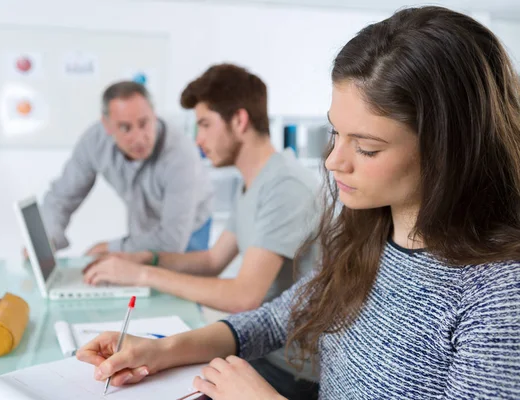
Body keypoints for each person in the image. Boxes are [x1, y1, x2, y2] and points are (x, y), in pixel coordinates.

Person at [76, 6, 520, 399]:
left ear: (449, 149)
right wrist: (161, 350)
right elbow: (272, 319)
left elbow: (244, 296)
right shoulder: (369, 236)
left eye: (365, 147)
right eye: (334, 134)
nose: (332, 162)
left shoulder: (498, 299)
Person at [82, 64, 321, 398]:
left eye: (205, 125)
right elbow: (212, 260)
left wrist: (142, 274)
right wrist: (147, 257)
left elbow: (243, 296)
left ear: (239, 121)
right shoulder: (255, 183)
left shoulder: (285, 186)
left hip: (289, 372)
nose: (198, 139)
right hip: (260, 352)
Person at [40, 81, 214, 255]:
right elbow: (61, 197)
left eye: (144, 123)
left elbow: (172, 241)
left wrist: (109, 248)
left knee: (182, 278)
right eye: (125, 128)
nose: (138, 138)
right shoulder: (95, 141)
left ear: (154, 115)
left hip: (188, 228)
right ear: (107, 125)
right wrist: (47, 239)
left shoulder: (181, 155)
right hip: (144, 227)